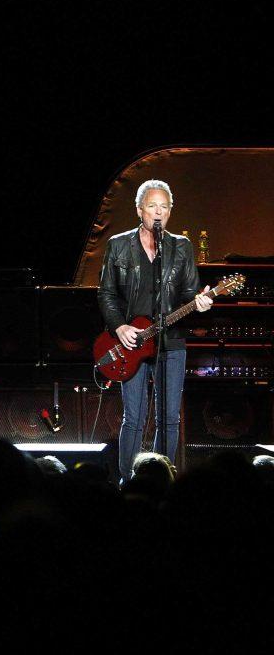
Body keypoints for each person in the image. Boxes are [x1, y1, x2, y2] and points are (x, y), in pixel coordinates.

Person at [97, 179, 213, 481]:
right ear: (139, 210)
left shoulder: (181, 247)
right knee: (134, 417)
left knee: (169, 418)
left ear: (170, 211)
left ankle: (164, 478)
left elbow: (190, 293)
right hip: (132, 342)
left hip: (170, 342)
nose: (158, 212)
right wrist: (119, 326)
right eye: (152, 206)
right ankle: (128, 479)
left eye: (164, 206)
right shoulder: (119, 245)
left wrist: (199, 302)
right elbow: (106, 293)